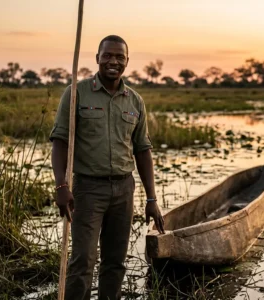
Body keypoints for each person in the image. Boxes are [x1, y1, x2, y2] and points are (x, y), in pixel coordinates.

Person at [49, 34, 166, 300]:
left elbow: (142, 149)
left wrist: (151, 198)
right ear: (97, 59)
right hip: (88, 190)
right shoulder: (77, 93)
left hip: (124, 189)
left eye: (119, 57)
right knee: (82, 260)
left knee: (115, 262)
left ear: (126, 61)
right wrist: (61, 185)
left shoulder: (134, 100)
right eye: (108, 55)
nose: (113, 61)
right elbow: (60, 141)